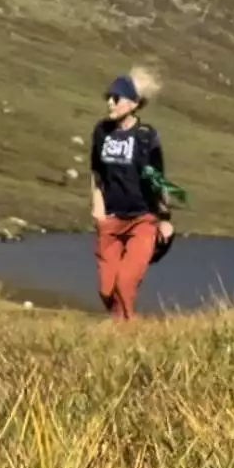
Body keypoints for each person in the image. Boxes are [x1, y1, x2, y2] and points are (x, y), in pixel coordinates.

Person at [89, 66, 175, 321]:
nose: (110, 102)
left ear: (134, 103)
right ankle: (122, 325)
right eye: (108, 97)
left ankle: (127, 333)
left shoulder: (146, 137)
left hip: (142, 219)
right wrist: (97, 208)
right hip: (111, 219)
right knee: (107, 290)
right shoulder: (102, 131)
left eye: (116, 97)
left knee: (125, 284)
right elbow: (96, 172)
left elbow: (158, 179)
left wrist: (165, 218)